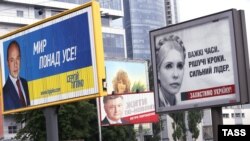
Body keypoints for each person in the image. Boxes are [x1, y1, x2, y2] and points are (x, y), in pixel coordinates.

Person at [156, 35, 186, 107]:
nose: (176, 75)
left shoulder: (178, 104)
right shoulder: (155, 104)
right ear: (158, 73)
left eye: (179, 66)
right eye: (169, 66)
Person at [3, 40, 30, 111]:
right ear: (7, 63)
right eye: (12, 60)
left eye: (17, 59)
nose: (15, 64)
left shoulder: (25, 83)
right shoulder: (4, 93)